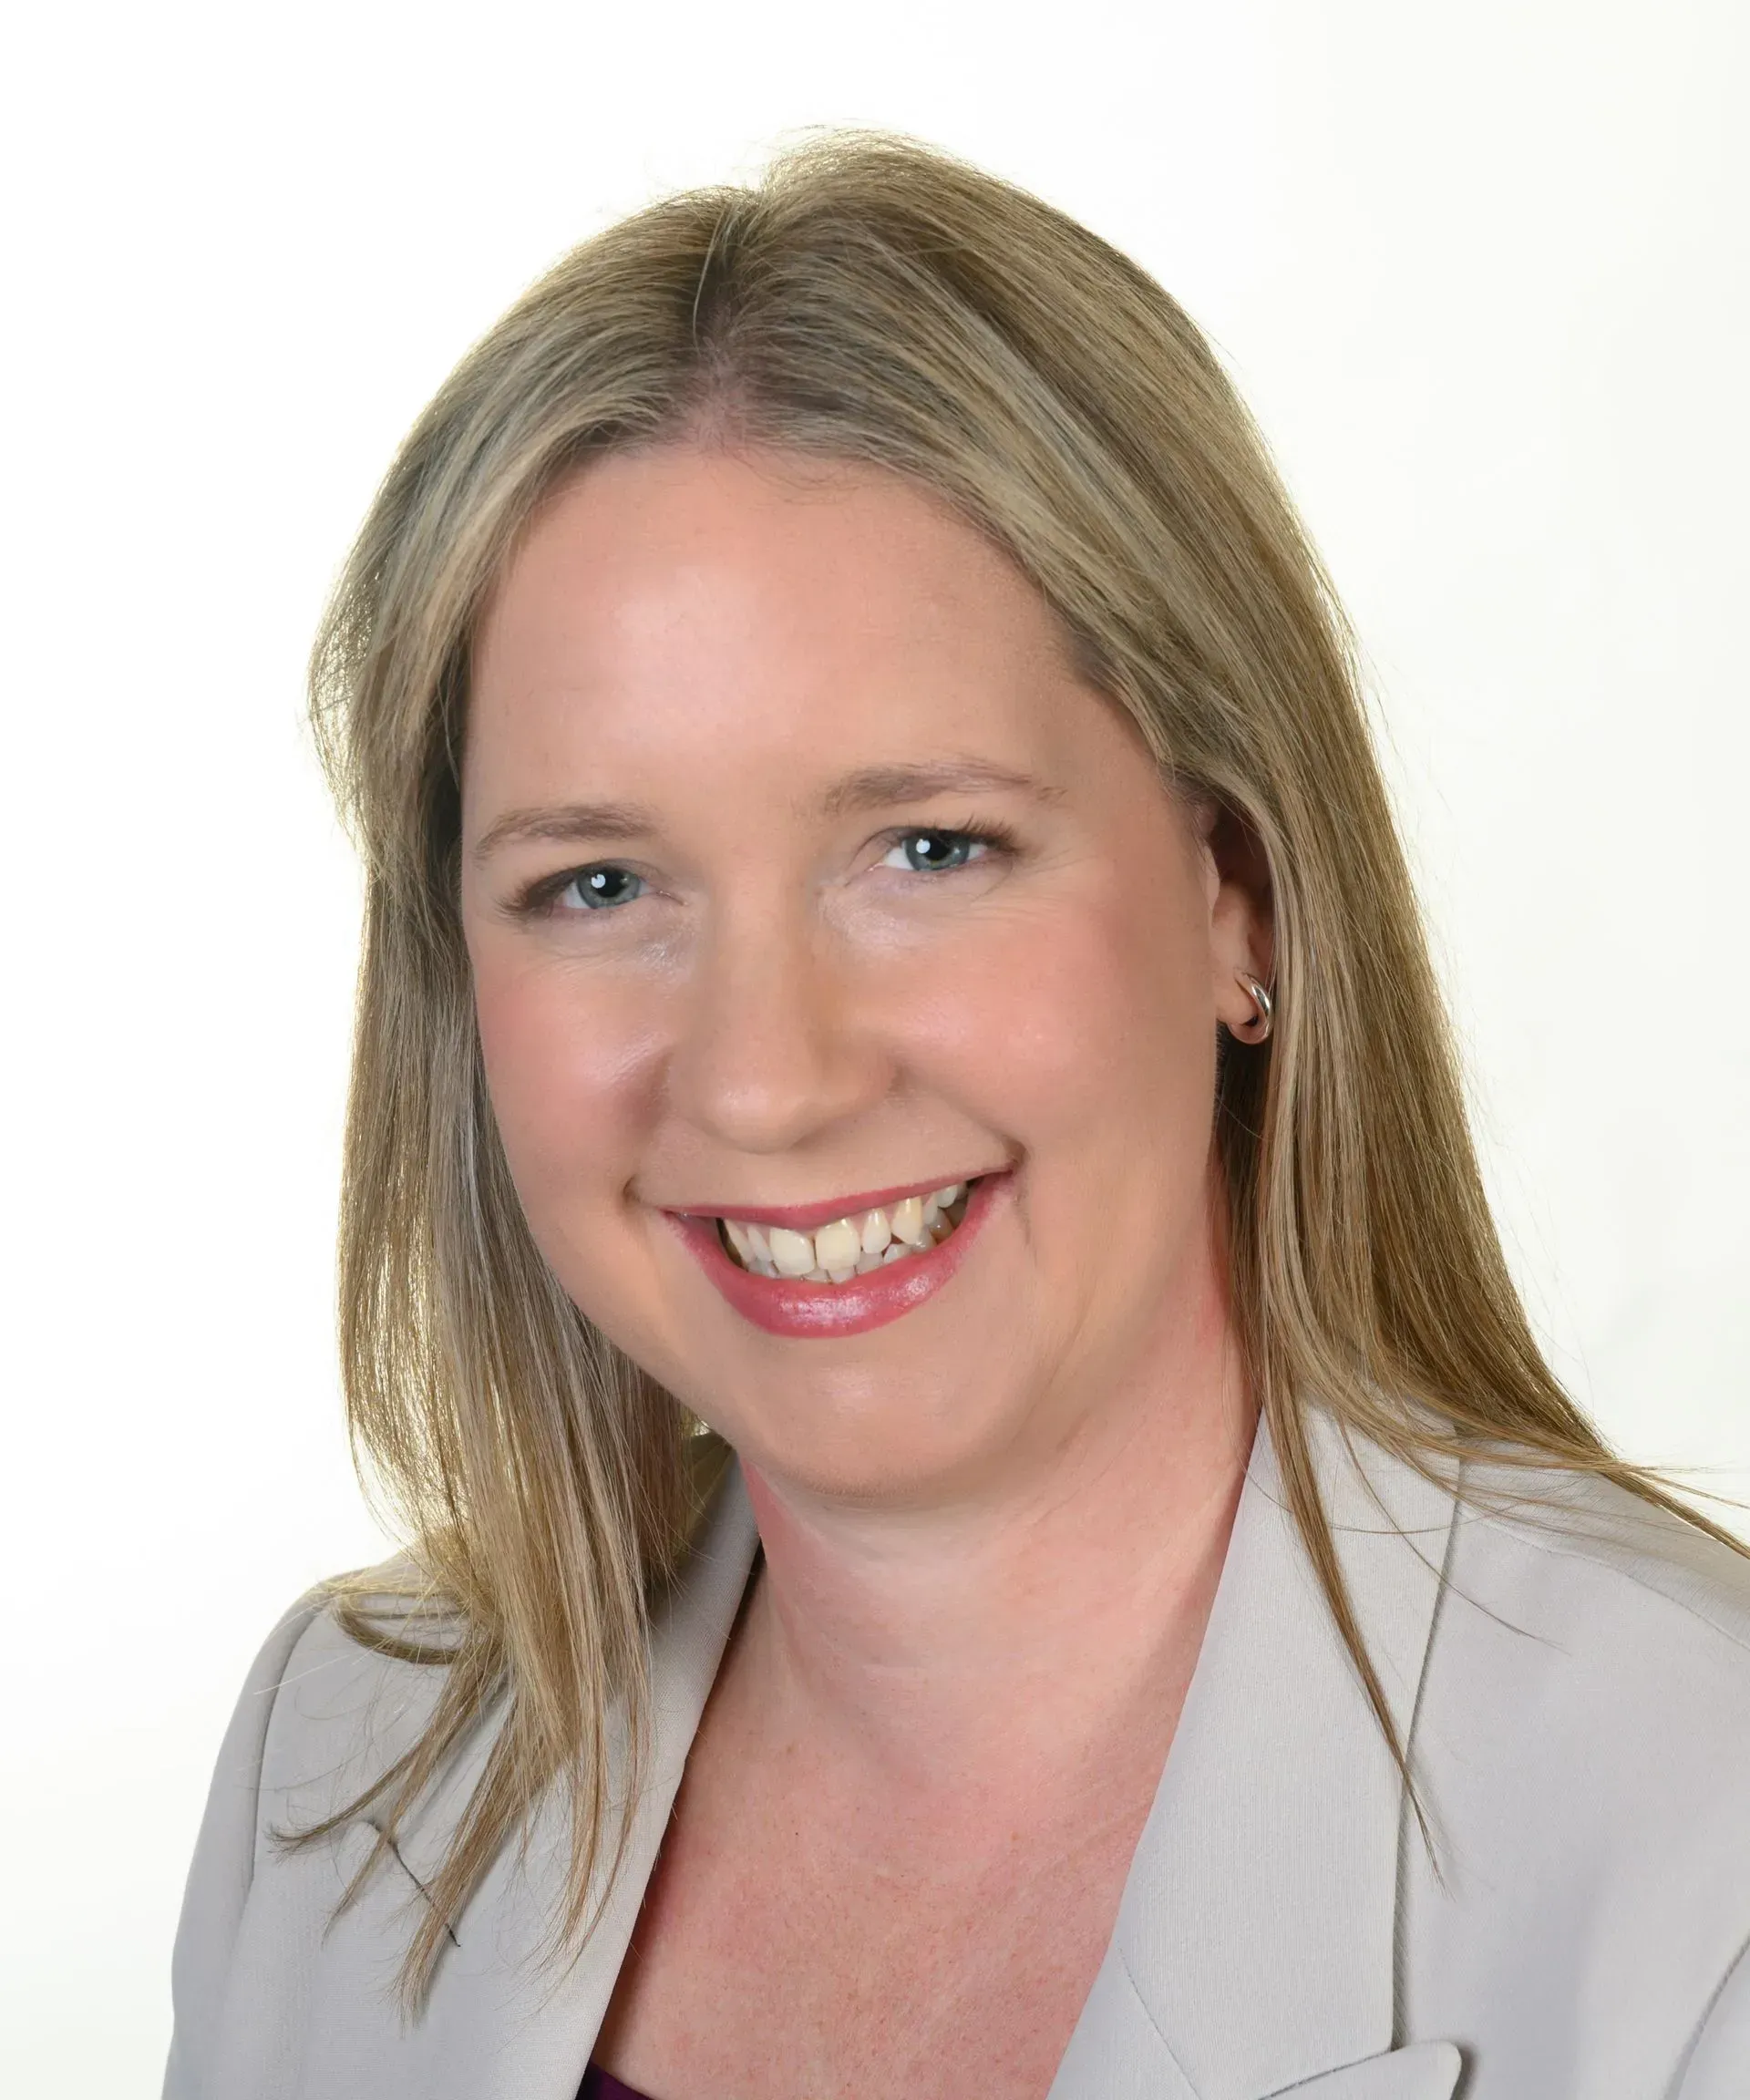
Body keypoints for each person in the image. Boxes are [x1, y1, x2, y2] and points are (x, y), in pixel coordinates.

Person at [162, 132, 1750, 2100]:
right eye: (598, 886)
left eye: (928, 847)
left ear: (1235, 891)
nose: (765, 1074)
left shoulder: (1705, 1859)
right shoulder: (342, 1773)